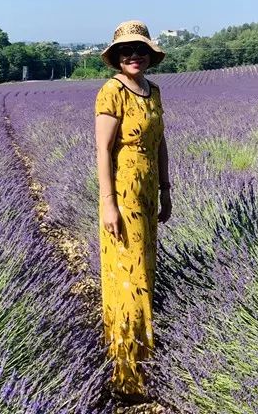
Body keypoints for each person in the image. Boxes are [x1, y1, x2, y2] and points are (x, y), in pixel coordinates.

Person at [94, 20, 172, 402]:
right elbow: (103, 151)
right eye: (126, 51)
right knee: (129, 280)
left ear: (149, 55)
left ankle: (145, 360)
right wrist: (108, 204)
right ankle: (127, 375)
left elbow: (160, 144)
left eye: (140, 50)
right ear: (116, 57)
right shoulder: (111, 92)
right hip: (122, 198)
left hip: (147, 196)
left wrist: (167, 190)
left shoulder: (153, 92)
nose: (134, 56)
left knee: (145, 276)